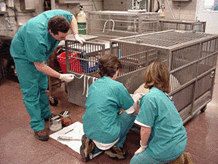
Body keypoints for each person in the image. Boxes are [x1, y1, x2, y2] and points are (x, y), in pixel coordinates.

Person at [10, 9, 85, 141]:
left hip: (38, 54)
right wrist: (60, 76)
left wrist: (76, 34)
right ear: (51, 32)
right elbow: (39, 65)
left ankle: (45, 114)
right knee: (31, 92)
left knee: (41, 86)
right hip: (23, 56)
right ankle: (37, 126)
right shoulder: (37, 38)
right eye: (62, 38)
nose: (64, 39)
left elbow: (72, 17)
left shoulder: (57, 17)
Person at [80, 54, 139, 162]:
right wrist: (136, 99)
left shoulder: (94, 84)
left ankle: (92, 144)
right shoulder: (118, 86)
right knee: (131, 114)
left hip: (88, 128)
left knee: (104, 114)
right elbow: (131, 109)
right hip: (107, 135)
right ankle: (116, 146)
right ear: (116, 70)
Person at [130, 61, 187, 164]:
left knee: (135, 161)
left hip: (166, 148)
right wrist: (140, 109)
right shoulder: (165, 96)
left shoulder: (150, 98)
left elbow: (145, 129)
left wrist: (143, 147)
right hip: (181, 141)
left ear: (147, 76)